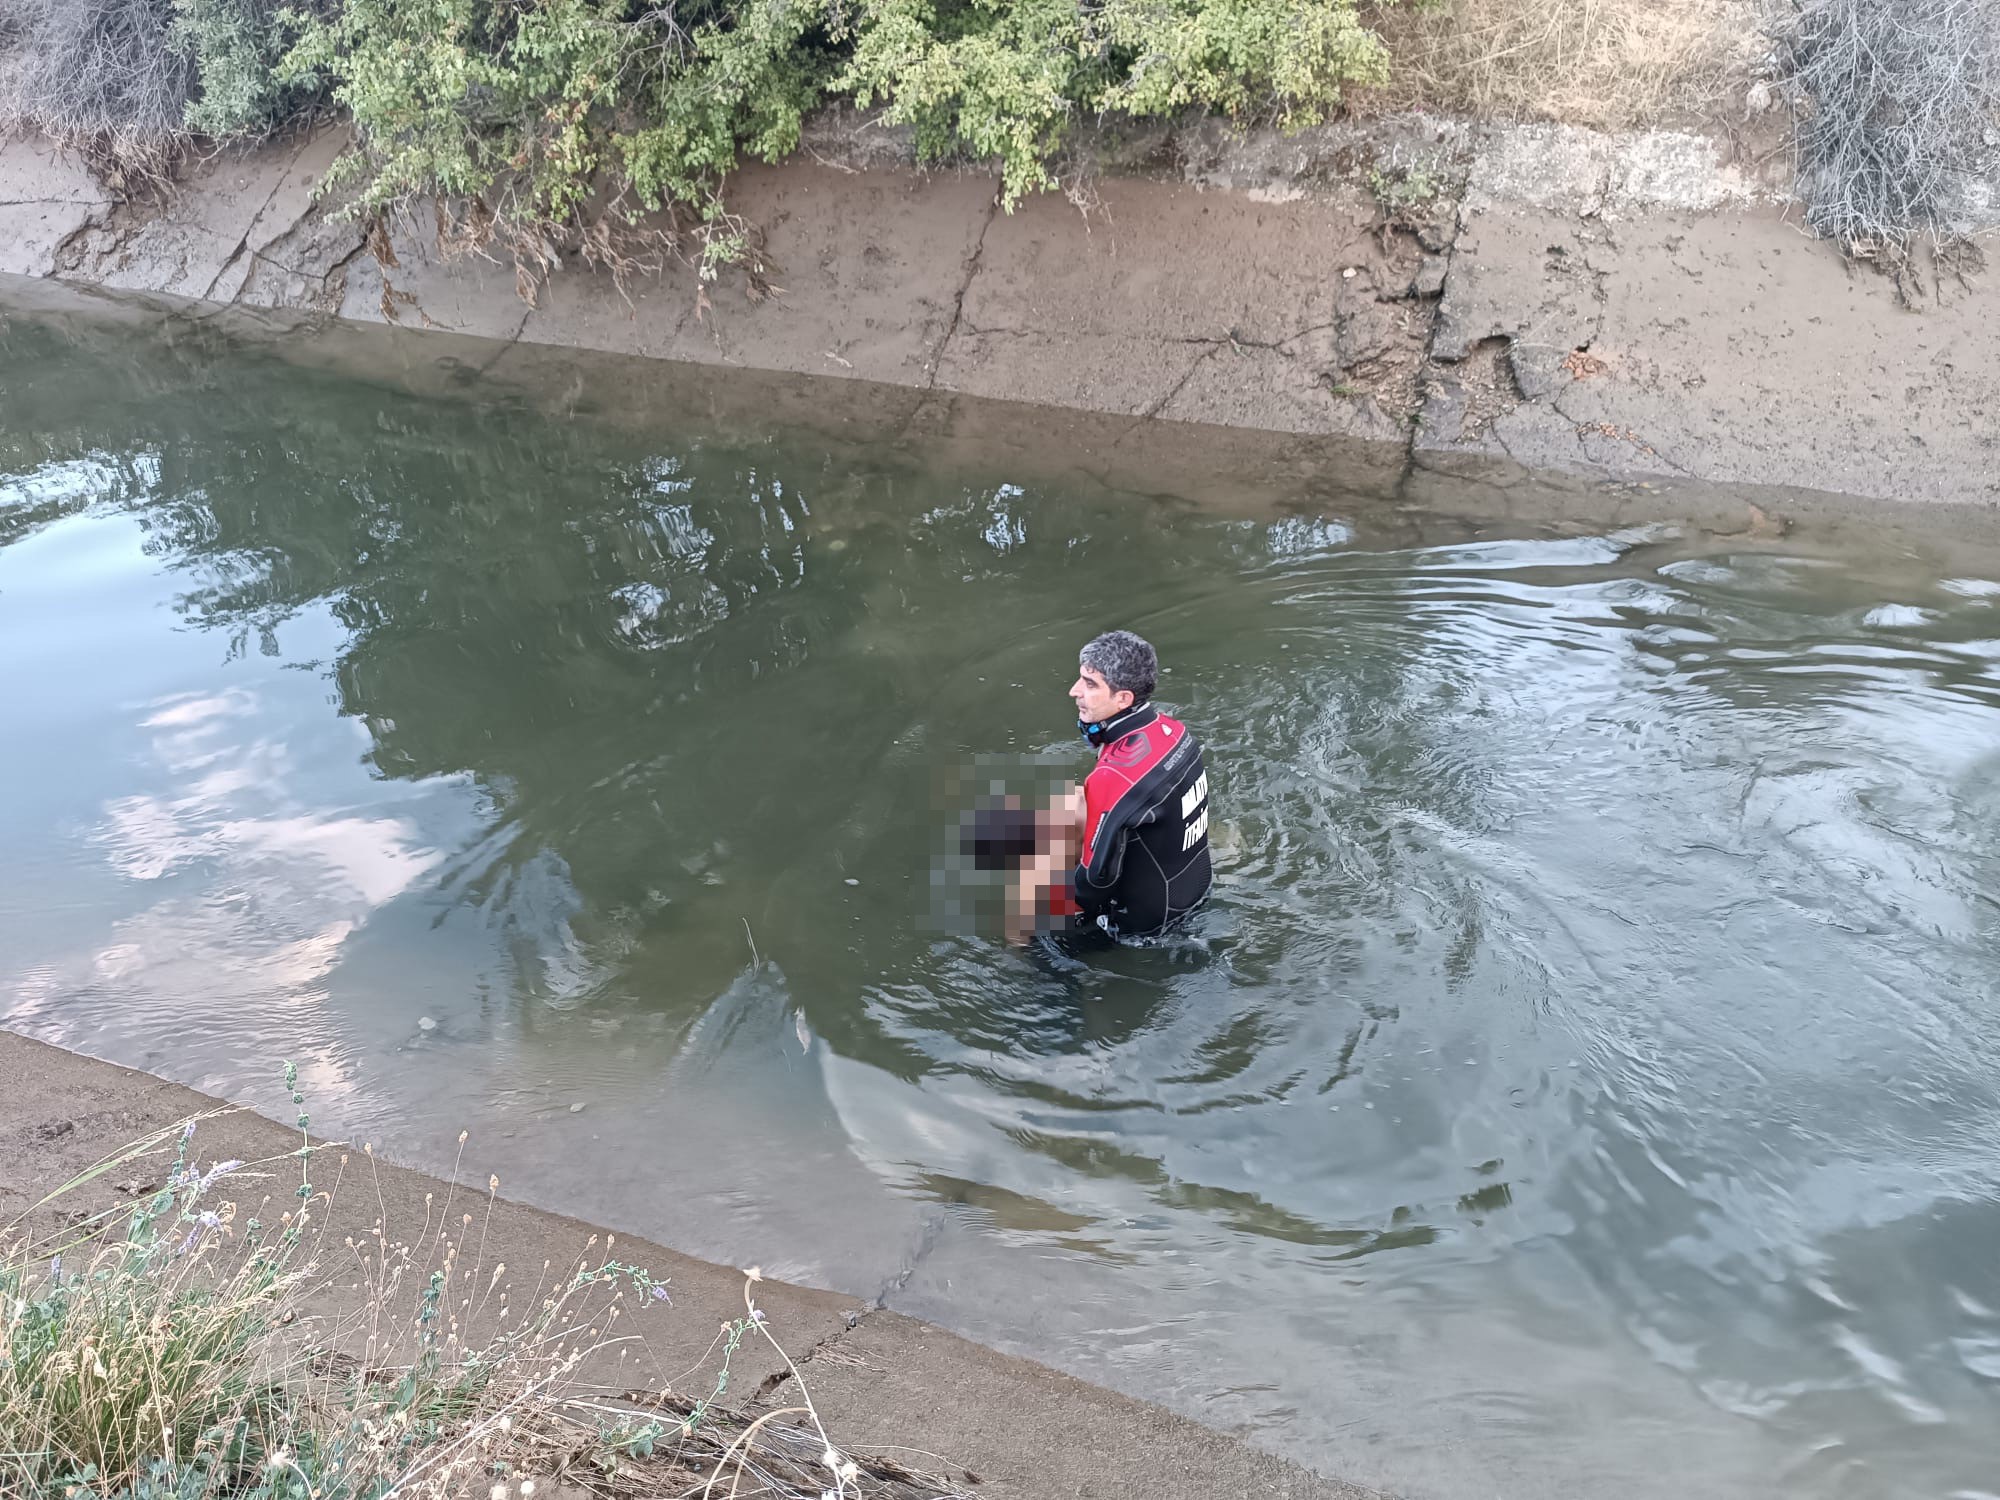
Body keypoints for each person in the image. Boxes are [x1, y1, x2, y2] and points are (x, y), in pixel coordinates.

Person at [1066, 630, 1212, 938]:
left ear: (1123, 698)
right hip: (1194, 888)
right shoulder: (1174, 731)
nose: (1074, 691)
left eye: (1090, 684)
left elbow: (1094, 883)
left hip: (1145, 926)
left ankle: (1040, 979)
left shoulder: (1115, 776)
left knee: (1023, 895)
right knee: (1072, 801)